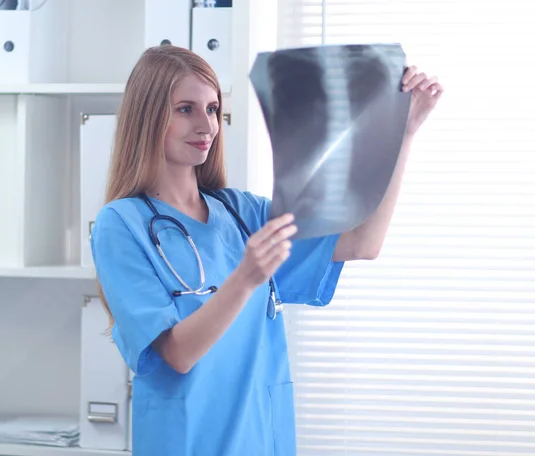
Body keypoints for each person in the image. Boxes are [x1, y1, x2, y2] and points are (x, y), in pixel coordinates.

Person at [91, 45, 443, 456]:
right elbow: (178, 354)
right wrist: (245, 278)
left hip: (260, 440)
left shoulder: (241, 214)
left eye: (212, 109)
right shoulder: (121, 225)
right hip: (188, 443)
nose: (205, 125)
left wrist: (405, 133)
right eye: (185, 109)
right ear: (149, 117)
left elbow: (363, 243)